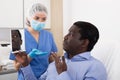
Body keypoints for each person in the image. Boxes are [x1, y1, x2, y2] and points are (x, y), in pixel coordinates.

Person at [14, 21, 107, 80]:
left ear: (84, 43)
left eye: (71, 34)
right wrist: (26, 65)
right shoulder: (57, 63)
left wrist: (63, 73)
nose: (65, 37)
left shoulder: (95, 67)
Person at [9, 3, 58, 80]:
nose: (40, 21)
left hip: (45, 77)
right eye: (37, 18)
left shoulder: (49, 36)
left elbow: (51, 59)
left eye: (44, 19)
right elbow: (16, 67)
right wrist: (29, 57)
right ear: (29, 18)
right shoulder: (18, 36)